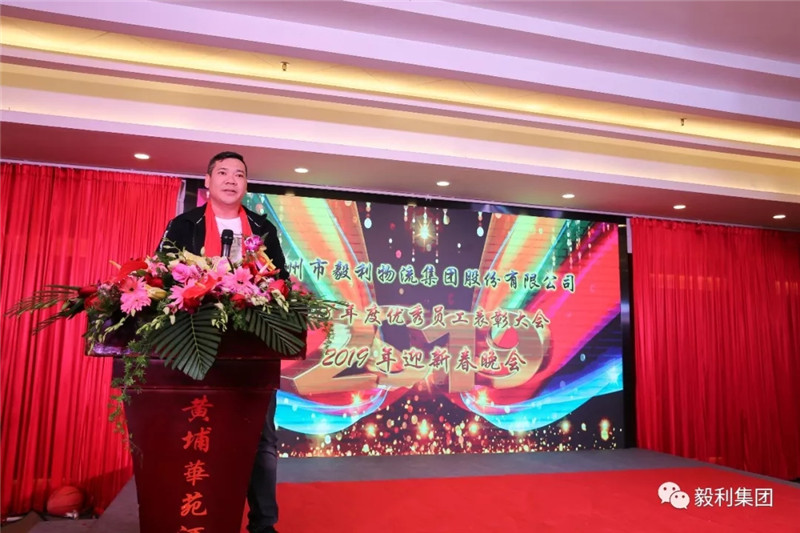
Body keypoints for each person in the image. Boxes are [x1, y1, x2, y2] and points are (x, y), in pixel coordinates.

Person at [158, 151, 287, 533]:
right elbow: (162, 277)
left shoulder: (262, 227)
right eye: (223, 172)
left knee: (261, 439)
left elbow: (280, 279)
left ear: (246, 184)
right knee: (198, 435)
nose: (231, 180)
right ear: (208, 180)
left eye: (239, 174)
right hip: (195, 344)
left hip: (252, 346)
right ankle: (198, 517)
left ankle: (263, 524)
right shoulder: (184, 225)